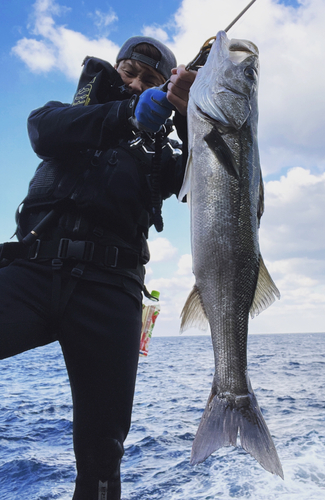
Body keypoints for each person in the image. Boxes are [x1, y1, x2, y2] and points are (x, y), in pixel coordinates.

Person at [0, 36, 196, 500]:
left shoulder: (161, 157)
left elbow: (196, 180)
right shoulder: (63, 119)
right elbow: (42, 132)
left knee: (103, 451)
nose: (135, 84)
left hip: (112, 293)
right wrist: (123, 113)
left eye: (150, 80)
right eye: (130, 72)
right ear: (114, 70)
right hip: (33, 271)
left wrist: (189, 114)